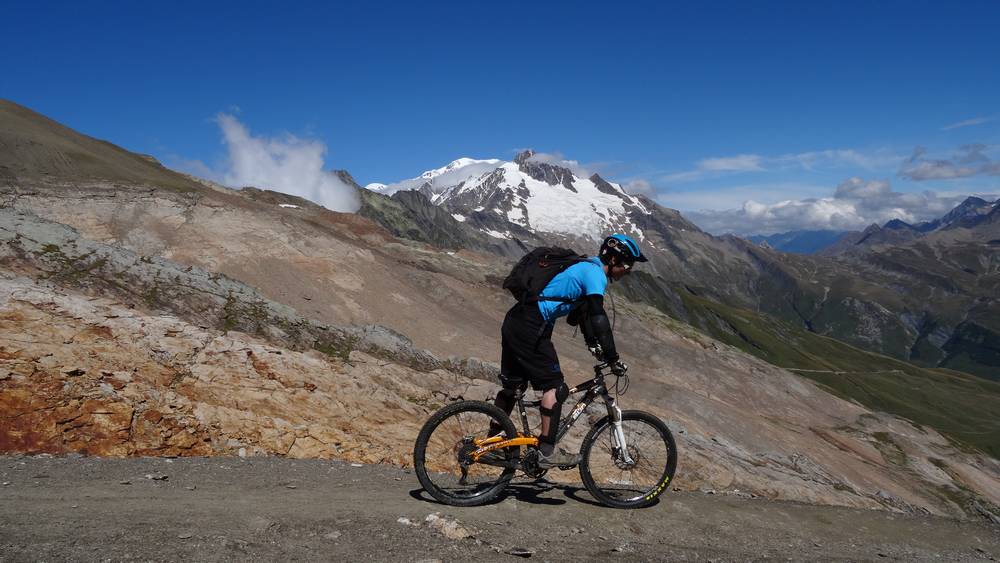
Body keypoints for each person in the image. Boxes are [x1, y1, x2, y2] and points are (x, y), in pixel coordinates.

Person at [492, 234, 648, 468]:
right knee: (555, 387)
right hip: (531, 326)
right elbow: (597, 315)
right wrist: (613, 357)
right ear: (613, 259)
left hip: (517, 320)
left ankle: (491, 444)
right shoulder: (595, 274)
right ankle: (546, 451)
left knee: (513, 387)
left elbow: (582, 316)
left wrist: (594, 346)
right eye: (627, 264)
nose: (628, 270)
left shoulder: (584, 268)